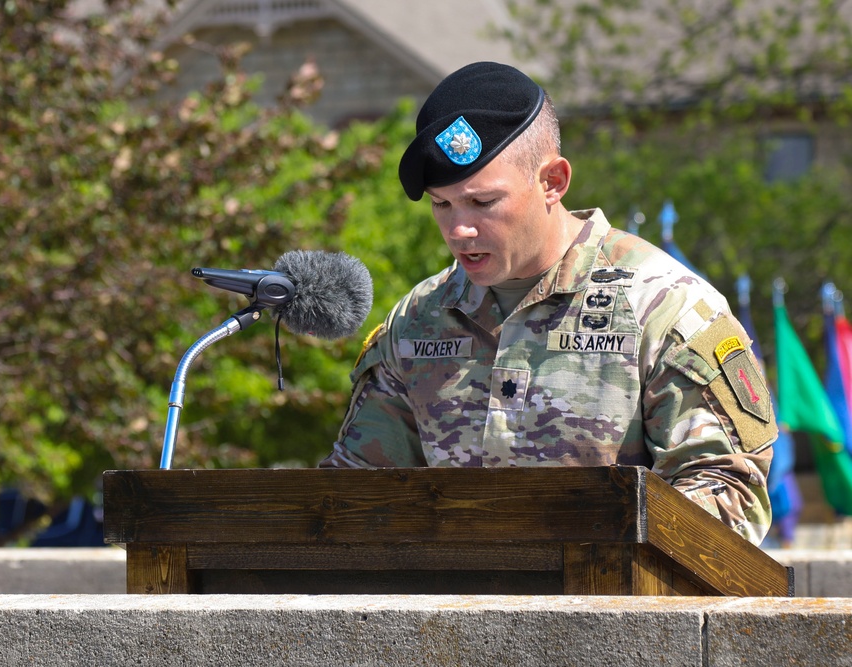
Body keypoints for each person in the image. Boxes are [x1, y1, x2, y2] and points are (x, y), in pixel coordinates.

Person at [319, 61, 776, 545]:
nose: (459, 230)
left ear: (553, 181)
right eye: (442, 204)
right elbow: (352, 492)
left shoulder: (664, 305)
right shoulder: (417, 320)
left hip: (609, 610)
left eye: (483, 202)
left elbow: (729, 490)